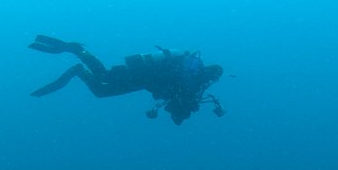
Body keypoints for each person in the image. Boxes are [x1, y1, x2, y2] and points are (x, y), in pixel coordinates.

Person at [29, 36, 224, 125]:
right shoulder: (192, 85)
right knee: (103, 78)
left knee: (101, 90)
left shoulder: (192, 86)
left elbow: (166, 90)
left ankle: (79, 69)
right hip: (142, 75)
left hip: (141, 80)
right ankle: (77, 51)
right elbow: (170, 87)